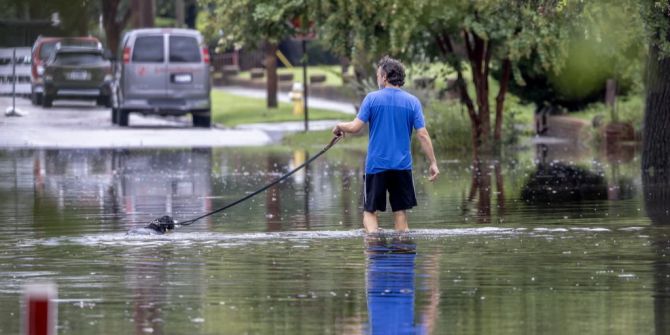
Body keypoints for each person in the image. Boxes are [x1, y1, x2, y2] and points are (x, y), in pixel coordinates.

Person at [332, 56, 439, 233]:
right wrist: (433, 162)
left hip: (376, 166)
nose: (377, 79)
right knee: (400, 212)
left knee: (370, 212)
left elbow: (355, 127)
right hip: (402, 167)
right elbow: (423, 134)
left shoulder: (372, 99)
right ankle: (403, 253)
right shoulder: (412, 102)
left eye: (377, 75)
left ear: (384, 77)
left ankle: (374, 252)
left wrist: (339, 126)